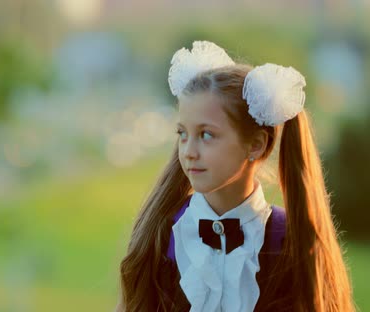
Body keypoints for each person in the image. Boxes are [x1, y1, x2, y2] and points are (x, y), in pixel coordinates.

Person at [117, 41, 354, 311]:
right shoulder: (162, 234)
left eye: (207, 135)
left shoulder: (288, 240)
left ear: (256, 145)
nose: (189, 152)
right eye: (183, 134)